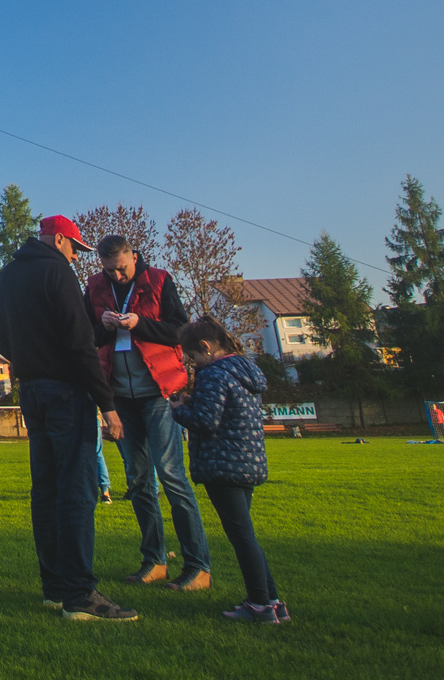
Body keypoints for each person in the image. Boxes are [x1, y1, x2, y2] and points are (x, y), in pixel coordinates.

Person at [0, 213, 137, 622]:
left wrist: (31, 357)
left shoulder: (7, 276)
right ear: (58, 241)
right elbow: (79, 343)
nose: (76, 256)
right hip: (66, 393)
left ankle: (54, 589)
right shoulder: (58, 275)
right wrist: (106, 403)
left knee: (47, 490)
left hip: (32, 392)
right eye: (75, 247)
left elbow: (1, 339)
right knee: (77, 491)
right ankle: (80, 596)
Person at [85, 233, 214, 591]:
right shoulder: (94, 286)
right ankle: (154, 561)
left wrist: (138, 324)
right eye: (109, 271)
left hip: (158, 393)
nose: (117, 277)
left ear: (133, 256)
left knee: (171, 476)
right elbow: (85, 336)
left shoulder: (159, 280)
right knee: (138, 481)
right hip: (119, 397)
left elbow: (180, 331)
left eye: (121, 269)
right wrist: (105, 327)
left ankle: (198, 566)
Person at [169, 318, 289, 625]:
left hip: (222, 464)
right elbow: (224, 410)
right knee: (246, 534)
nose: (192, 363)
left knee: (242, 537)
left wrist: (178, 409)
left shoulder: (212, 374)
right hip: (246, 461)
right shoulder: (242, 371)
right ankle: (272, 601)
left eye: (192, 357)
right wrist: (193, 402)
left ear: (206, 348)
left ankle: (259, 605)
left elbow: (207, 421)